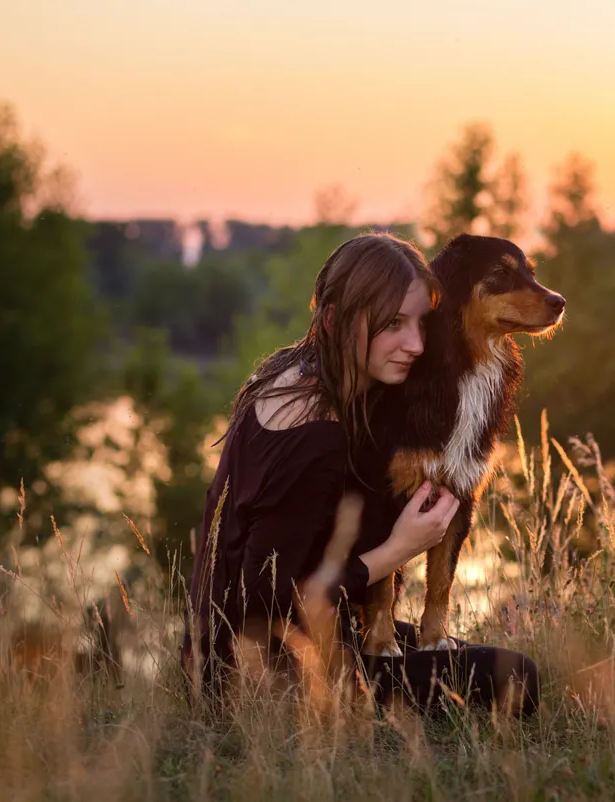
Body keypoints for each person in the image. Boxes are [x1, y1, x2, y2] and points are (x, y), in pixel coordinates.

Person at [179, 232, 539, 716]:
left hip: (234, 650)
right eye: (393, 324)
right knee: (516, 677)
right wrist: (399, 549)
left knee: (449, 649)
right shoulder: (314, 437)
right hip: (264, 673)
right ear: (334, 320)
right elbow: (265, 603)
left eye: (421, 322)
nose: (415, 344)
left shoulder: (291, 375)